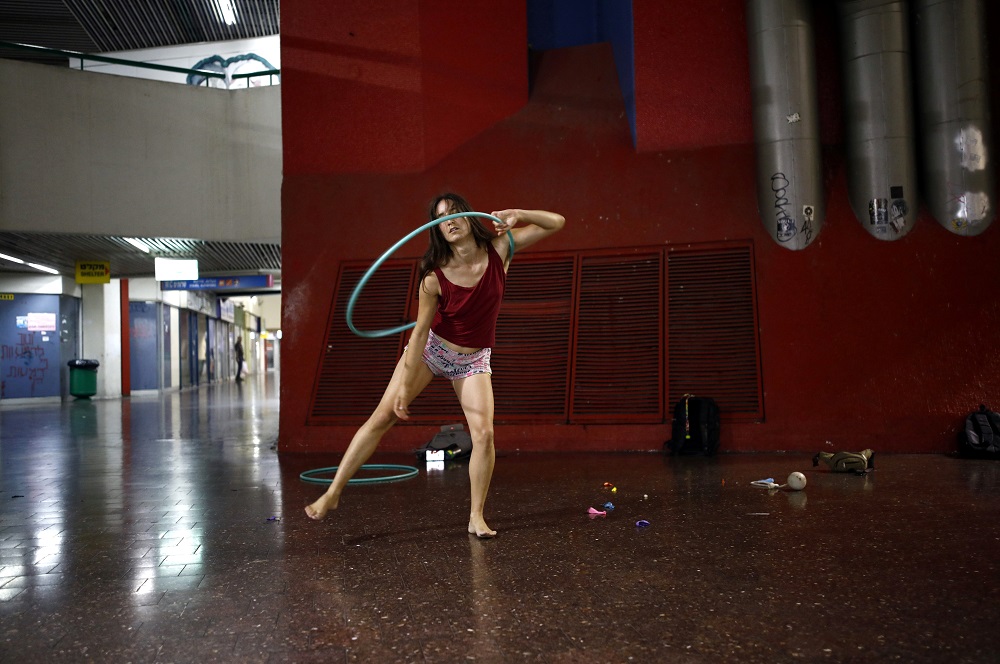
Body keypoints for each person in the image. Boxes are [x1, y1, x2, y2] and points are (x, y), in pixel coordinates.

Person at [305, 193, 565, 537]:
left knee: (484, 435)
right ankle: (333, 492)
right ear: (438, 231)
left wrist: (519, 212)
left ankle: (476, 517)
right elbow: (418, 333)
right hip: (433, 351)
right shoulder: (433, 278)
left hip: (474, 359)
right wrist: (404, 386)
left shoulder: (501, 249)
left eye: (456, 214)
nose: (451, 222)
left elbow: (557, 222)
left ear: (470, 218)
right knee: (382, 417)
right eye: (442, 219)